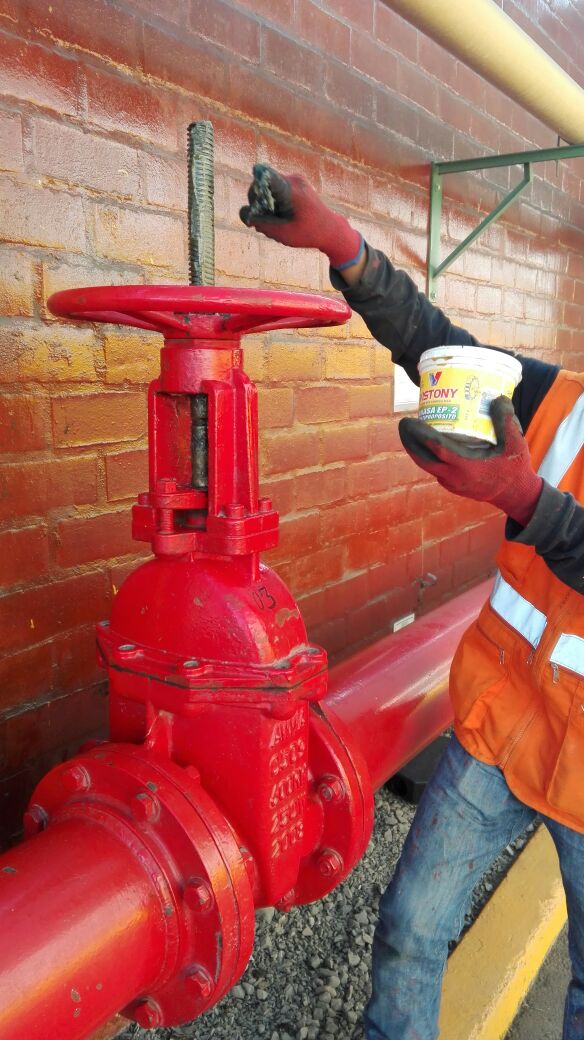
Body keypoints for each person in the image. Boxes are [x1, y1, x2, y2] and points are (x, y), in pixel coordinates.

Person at [240, 166, 584, 1040]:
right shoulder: (568, 403)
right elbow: (440, 350)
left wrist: (522, 499)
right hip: (503, 726)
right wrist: (344, 247)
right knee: (408, 931)